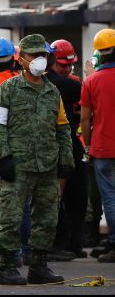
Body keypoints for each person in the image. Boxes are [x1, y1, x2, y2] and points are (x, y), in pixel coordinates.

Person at [0, 34, 74, 286]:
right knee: (11, 218)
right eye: (34, 55)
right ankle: (7, 268)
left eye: (43, 55)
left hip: (47, 165)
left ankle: (38, 266)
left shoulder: (52, 91)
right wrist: (2, 157)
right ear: (21, 59)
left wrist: (66, 158)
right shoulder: (8, 89)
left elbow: (63, 128)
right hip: (18, 165)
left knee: (47, 218)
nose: (40, 60)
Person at [48, 40, 87, 260]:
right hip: (55, 145)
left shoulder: (73, 82)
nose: (67, 68)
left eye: (70, 65)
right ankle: (58, 243)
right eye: (63, 65)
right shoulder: (59, 84)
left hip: (73, 143)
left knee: (78, 196)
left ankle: (74, 243)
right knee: (55, 196)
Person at [81, 28, 115, 263]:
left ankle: (114, 243)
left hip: (102, 148)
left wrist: (88, 145)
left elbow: (84, 119)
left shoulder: (91, 81)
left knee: (110, 199)